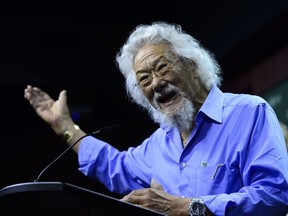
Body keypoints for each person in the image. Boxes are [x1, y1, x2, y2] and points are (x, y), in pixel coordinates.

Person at [24, 21, 288, 216]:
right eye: (144, 79)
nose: (156, 83)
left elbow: (276, 195)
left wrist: (189, 208)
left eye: (162, 67)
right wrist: (65, 127)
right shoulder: (159, 143)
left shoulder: (249, 112)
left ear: (192, 66)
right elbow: (114, 166)